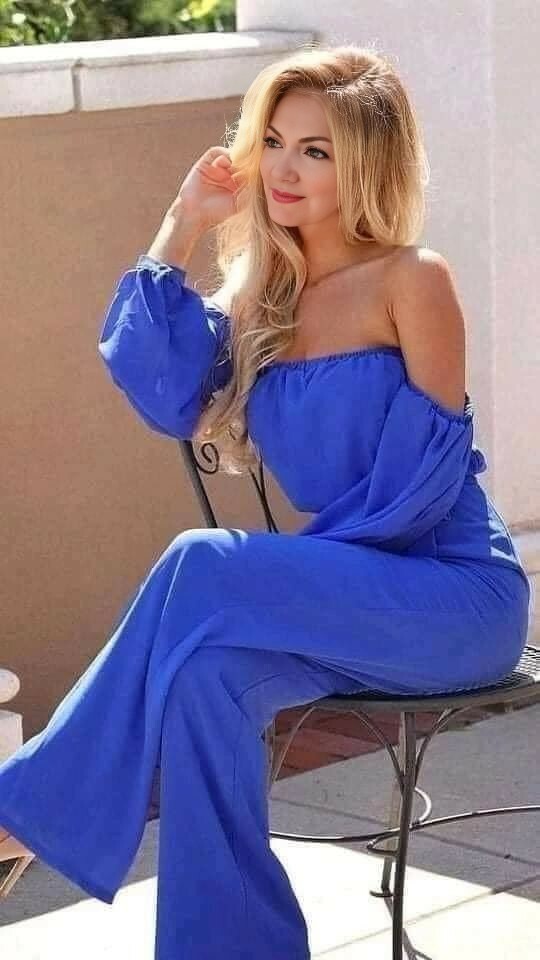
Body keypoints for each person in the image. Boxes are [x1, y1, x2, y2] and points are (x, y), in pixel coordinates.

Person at [0, 42, 531, 959]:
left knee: (203, 561)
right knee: (204, 680)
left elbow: (422, 487)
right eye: (274, 141)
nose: (284, 168)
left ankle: (22, 812)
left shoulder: (414, 279)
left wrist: (288, 581)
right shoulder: (262, 306)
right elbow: (161, 390)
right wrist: (182, 222)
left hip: (451, 597)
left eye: (315, 150)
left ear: (363, 163)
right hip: (341, 597)